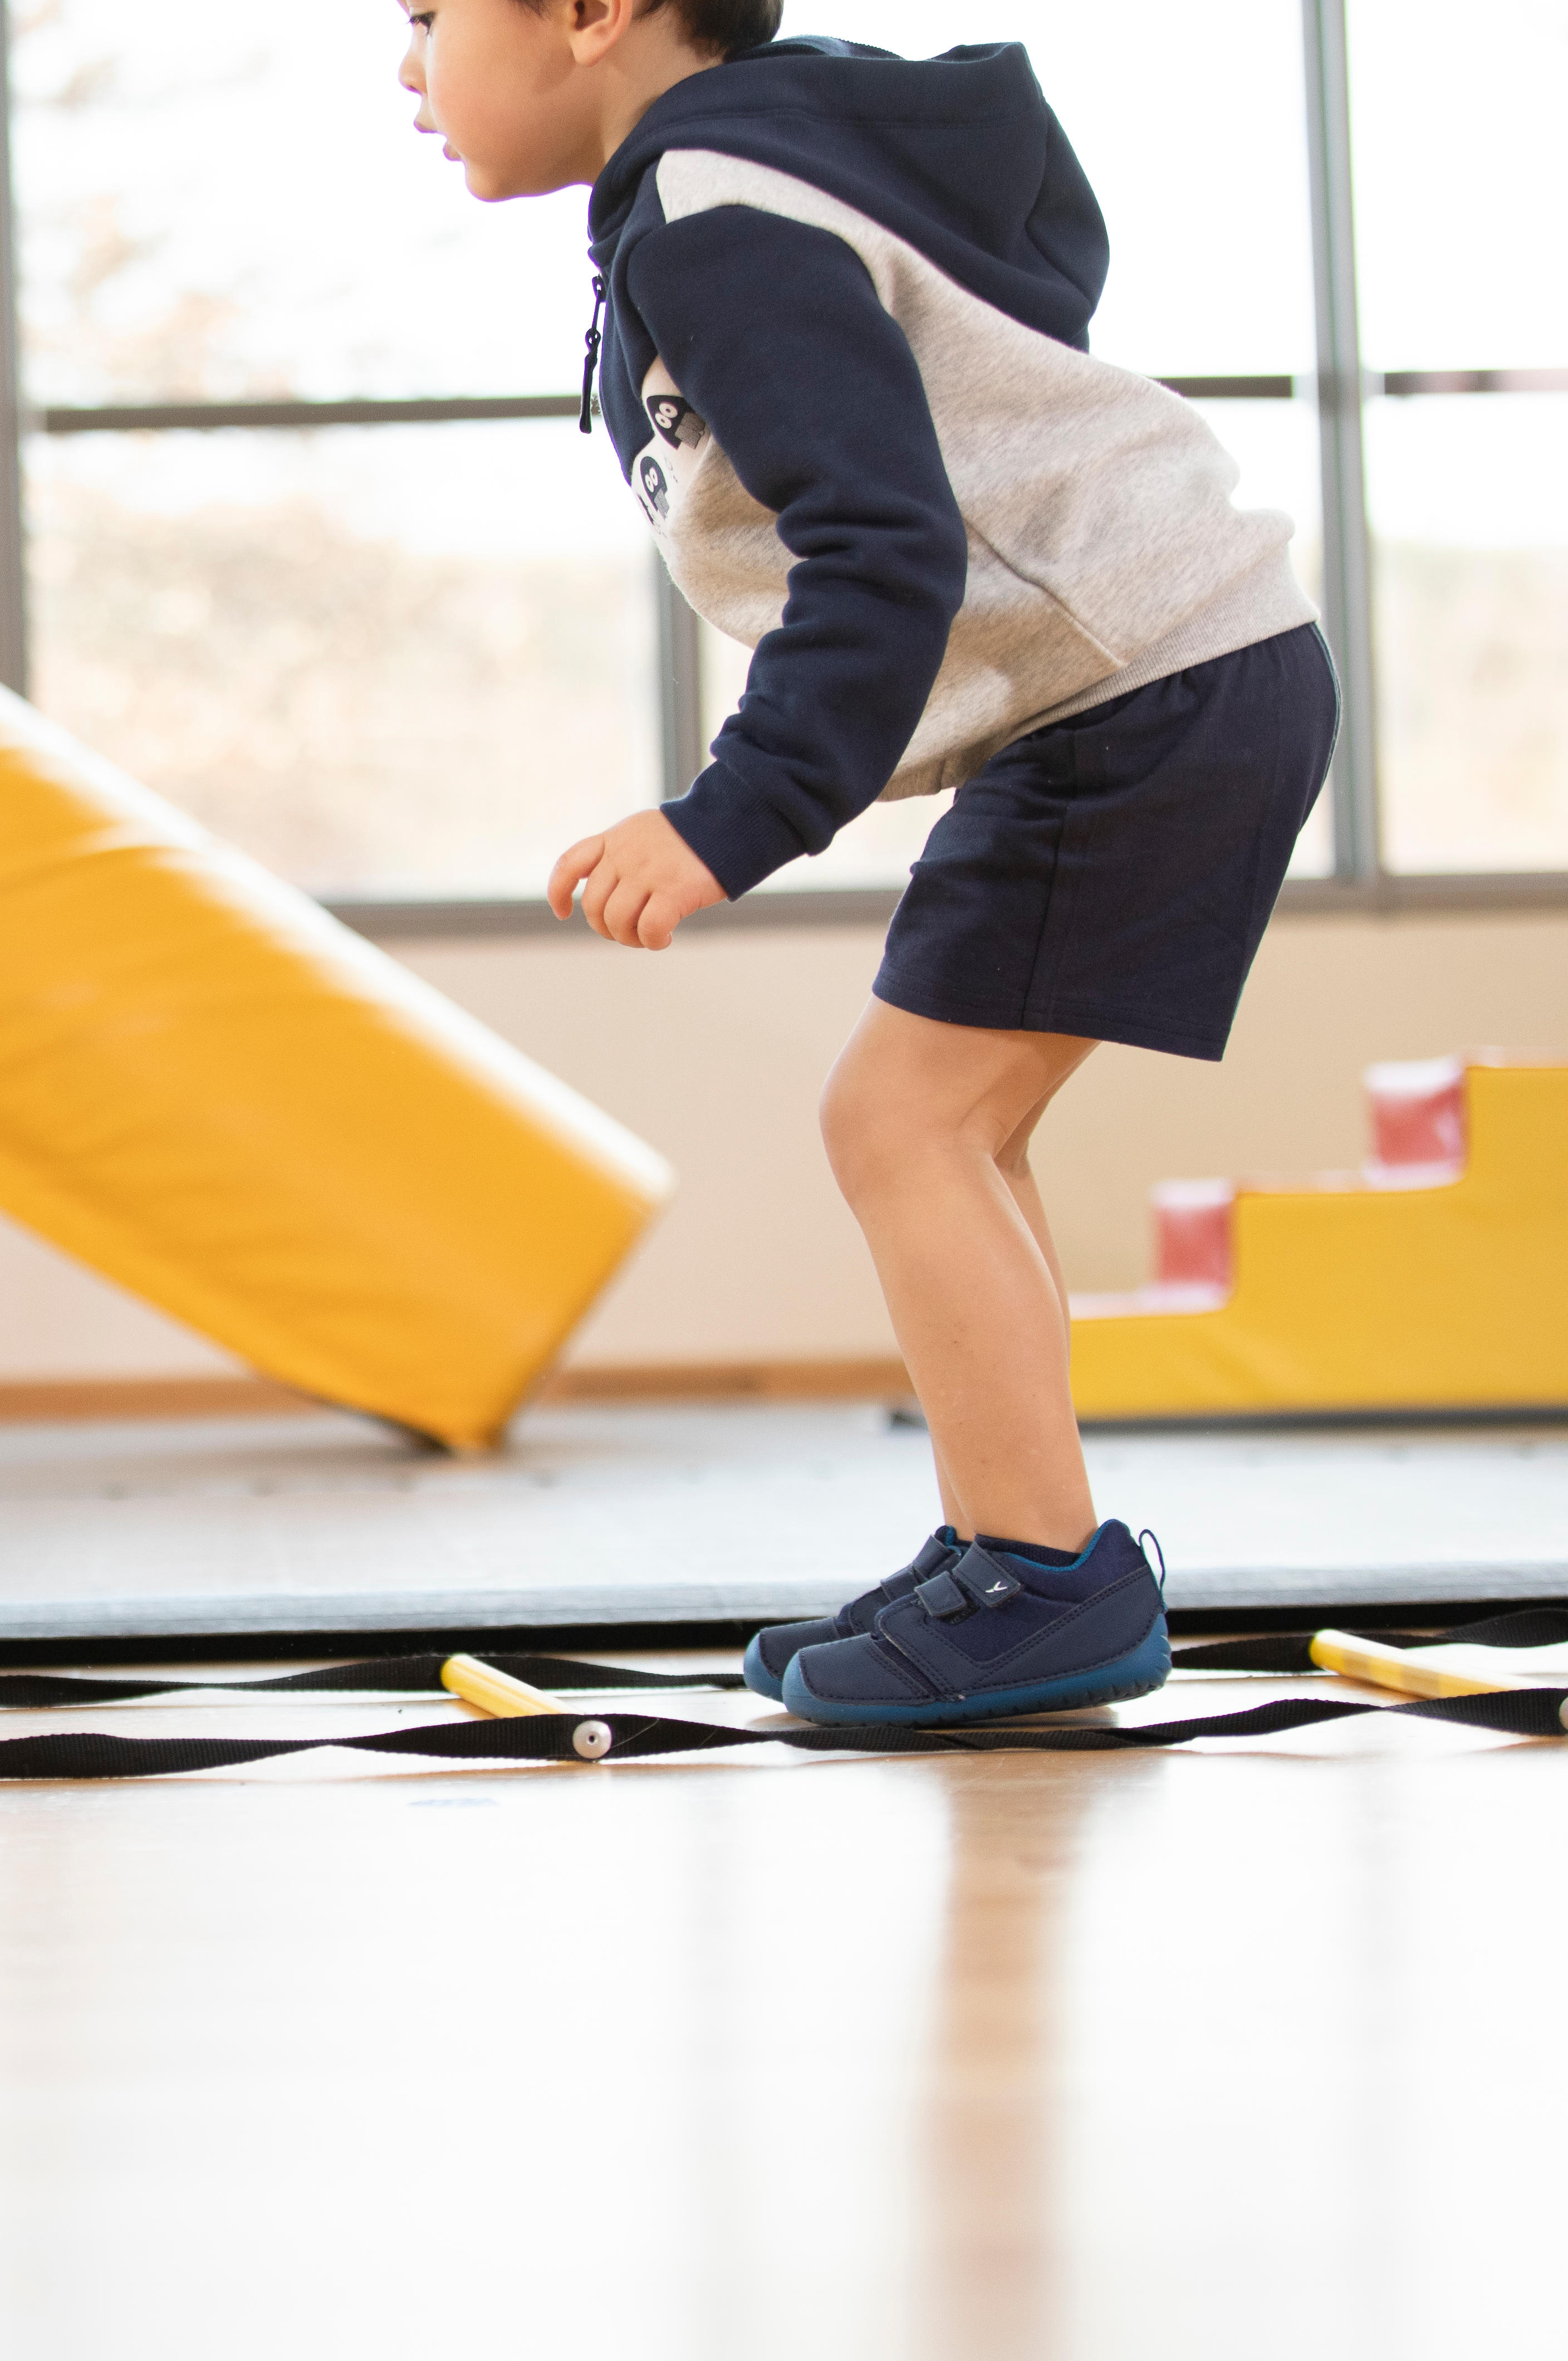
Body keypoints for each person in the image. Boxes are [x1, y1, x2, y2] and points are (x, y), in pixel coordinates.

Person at [393, 2, 1332, 1726]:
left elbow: (883, 553)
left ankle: (1048, 1579)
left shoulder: (725, 209)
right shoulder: (748, 179)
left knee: (900, 1120)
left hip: (1147, 687)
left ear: (592, 16)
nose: (407, 73)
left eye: (428, 18)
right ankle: (1012, 1541)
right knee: (957, 1130)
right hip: (1152, 680)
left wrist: (723, 820)